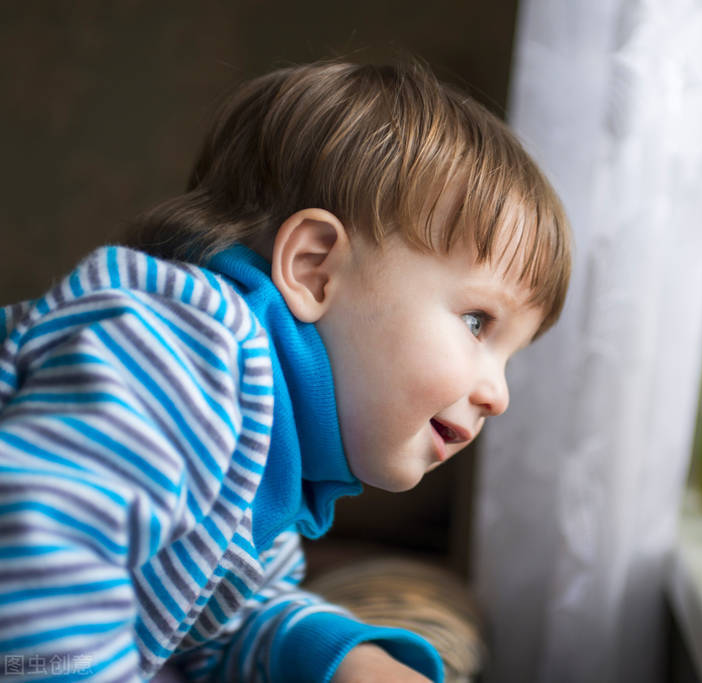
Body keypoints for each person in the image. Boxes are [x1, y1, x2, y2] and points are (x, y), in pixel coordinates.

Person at [0, 60, 571, 682]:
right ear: (314, 269)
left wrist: (352, 663)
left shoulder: (270, 464)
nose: (499, 395)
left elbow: (211, 627)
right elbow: (38, 545)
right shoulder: (184, 352)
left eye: (511, 354)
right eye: (476, 322)